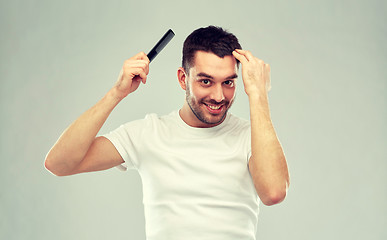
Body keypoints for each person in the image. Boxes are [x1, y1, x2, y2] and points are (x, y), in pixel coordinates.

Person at [45, 26, 290, 240]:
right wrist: (116, 93)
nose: (219, 96)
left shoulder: (253, 137)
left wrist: (258, 94)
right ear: (183, 79)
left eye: (228, 82)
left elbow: (274, 192)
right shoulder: (148, 133)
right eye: (206, 81)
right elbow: (60, 163)